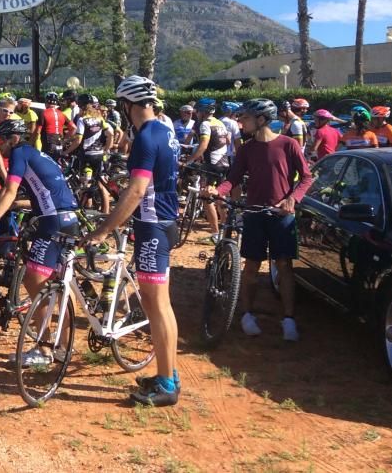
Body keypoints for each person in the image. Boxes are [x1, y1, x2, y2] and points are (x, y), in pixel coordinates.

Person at [83, 77, 181, 406]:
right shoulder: (165, 129)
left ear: (128, 105)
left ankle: (167, 384)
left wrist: (102, 230)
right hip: (163, 220)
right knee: (157, 306)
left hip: (152, 225)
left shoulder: (145, 137)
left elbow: (138, 191)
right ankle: (169, 373)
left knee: (157, 305)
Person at [0, 117, 79, 367]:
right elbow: (42, 195)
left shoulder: (20, 154)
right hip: (68, 219)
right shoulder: (38, 155)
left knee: (34, 280)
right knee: (61, 283)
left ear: (13, 139)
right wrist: (13, 206)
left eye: (0, 142)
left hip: (52, 224)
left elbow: (9, 191)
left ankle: (43, 349)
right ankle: (63, 345)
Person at [212, 98, 312, 343]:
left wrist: (292, 200)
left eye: (244, 118)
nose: (240, 122)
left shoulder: (288, 144)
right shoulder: (246, 149)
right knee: (252, 266)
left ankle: (288, 318)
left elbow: (307, 178)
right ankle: (247, 314)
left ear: (261, 119)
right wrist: (219, 191)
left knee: (284, 266)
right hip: (254, 214)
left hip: (281, 216)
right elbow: (232, 178)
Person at [187, 98, 230, 238]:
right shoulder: (220, 123)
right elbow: (228, 141)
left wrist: (191, 160)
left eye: (197, 111)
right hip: (224, 162)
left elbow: (204, 145)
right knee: (220, 196)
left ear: (203, 112)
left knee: (206, 198)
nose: (196, 114)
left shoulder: (205, 124)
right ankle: (225, 230)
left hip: (211, 164)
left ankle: (215, 232)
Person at [65, 93, 114, 214]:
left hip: (86, 156)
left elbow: (78, 140)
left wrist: (66, 151)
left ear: (81, 106)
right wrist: (106, 149)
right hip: (99, 155)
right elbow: (111, 134)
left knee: (85, 183)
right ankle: (105, 211)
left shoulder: (82, 120)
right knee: (100, 182)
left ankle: (87, 210)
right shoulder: (99, 119)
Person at [38, 91, 74, 161]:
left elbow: (37, 132)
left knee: (47, 167)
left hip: (48, 145)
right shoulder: (62, 114)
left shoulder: (43, 113)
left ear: (46, 102)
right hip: (60, 145)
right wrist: (64, 140)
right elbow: (74, 128)